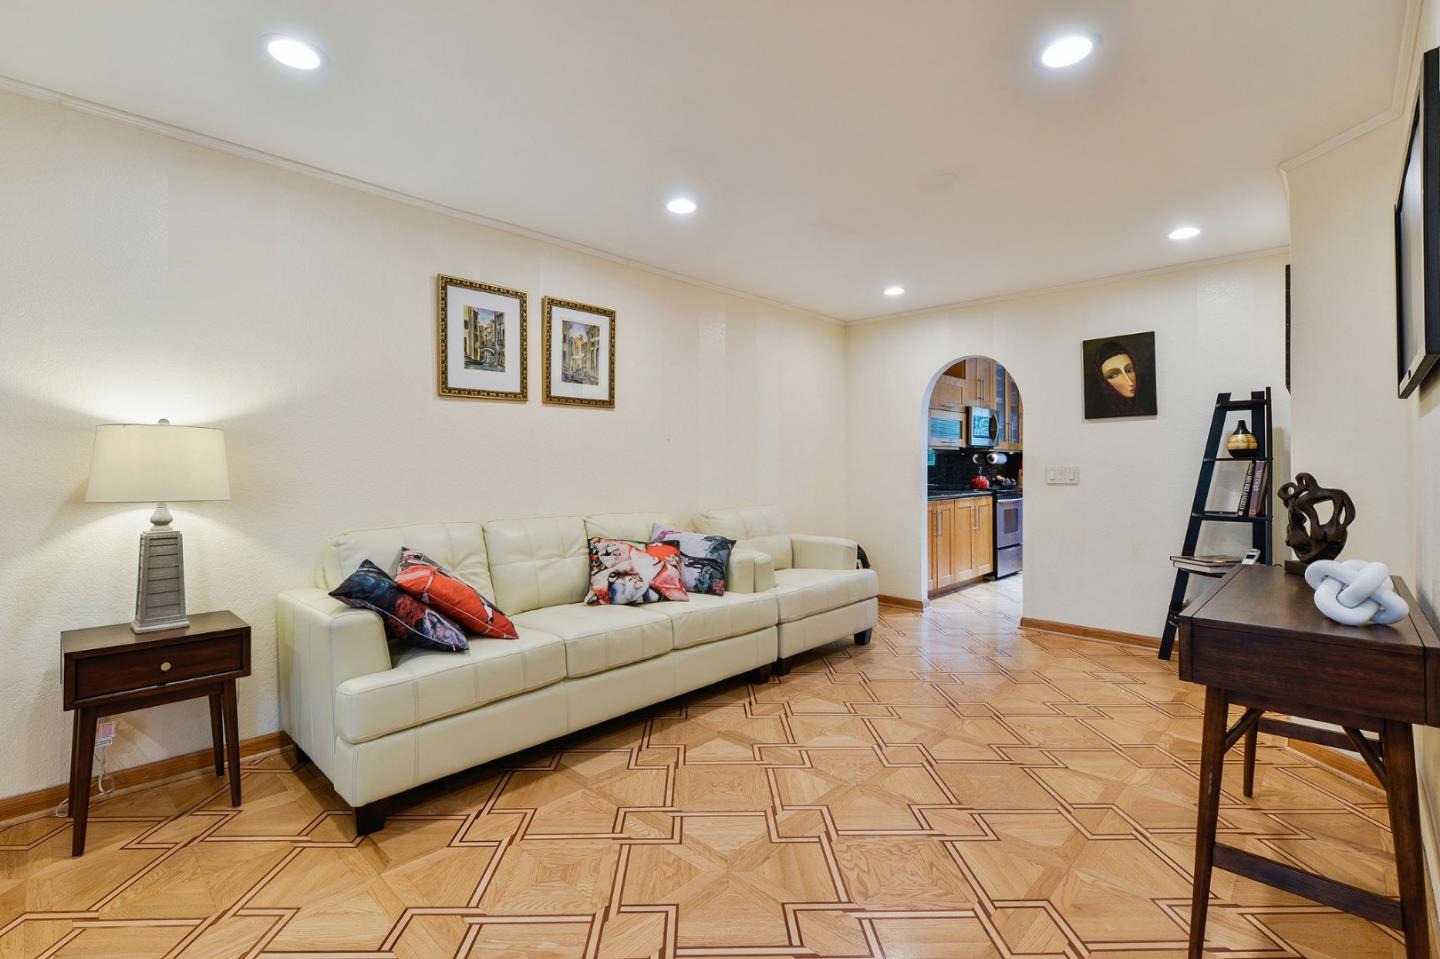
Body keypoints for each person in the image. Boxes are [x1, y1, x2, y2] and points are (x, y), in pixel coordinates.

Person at [1089, 339, 1150, 416]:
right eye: (1113, 375)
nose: (1129, 381)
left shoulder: (1147, 403)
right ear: (1103, 381)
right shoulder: (1102, 413)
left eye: (1130, 370)